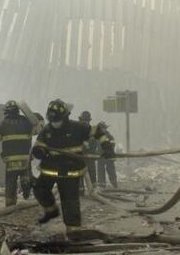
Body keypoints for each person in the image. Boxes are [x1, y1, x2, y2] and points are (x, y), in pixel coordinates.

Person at [31, 99, 115, 236]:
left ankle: (73, 229)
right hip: (50, 168)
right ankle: (51, 210)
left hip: (70, 169)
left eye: (57, 120)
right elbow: (39, 144)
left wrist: (107, 146)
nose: (55, 124)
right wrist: (39, 151)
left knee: (69, 199)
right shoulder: (47, 130)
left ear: (65, 117)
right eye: (52, 121)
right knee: (39, 188)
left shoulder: (78, 127)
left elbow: (98, 131)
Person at [0, 101, 35, 206]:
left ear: (6, 112)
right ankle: (26, 184)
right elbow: (37, 128)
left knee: (10, 181)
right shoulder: (27, 122)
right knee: (25, 173)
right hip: (25, 158)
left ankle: (10, 203)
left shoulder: (3, 124)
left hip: (11, 160)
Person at [78, 111, 97, 193]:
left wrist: (89, 146)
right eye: (83, 120)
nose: (85, 122)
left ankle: (93, 191)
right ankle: (80, 191)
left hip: (89, 156)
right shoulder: (77, 129)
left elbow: (94, 143)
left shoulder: (92, 131)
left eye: (86, 121)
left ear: (89, 121)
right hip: (80, 156)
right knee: (79, 173)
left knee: (92, 172)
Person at [96, 122, 118, 188]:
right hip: (101, 157)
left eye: (103, 128)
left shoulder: (109, 136)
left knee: (111, 170)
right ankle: (102, 185)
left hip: (109, 156)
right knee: (100, 170)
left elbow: (112, 145)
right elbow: (96, 146)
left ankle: (114, 184)